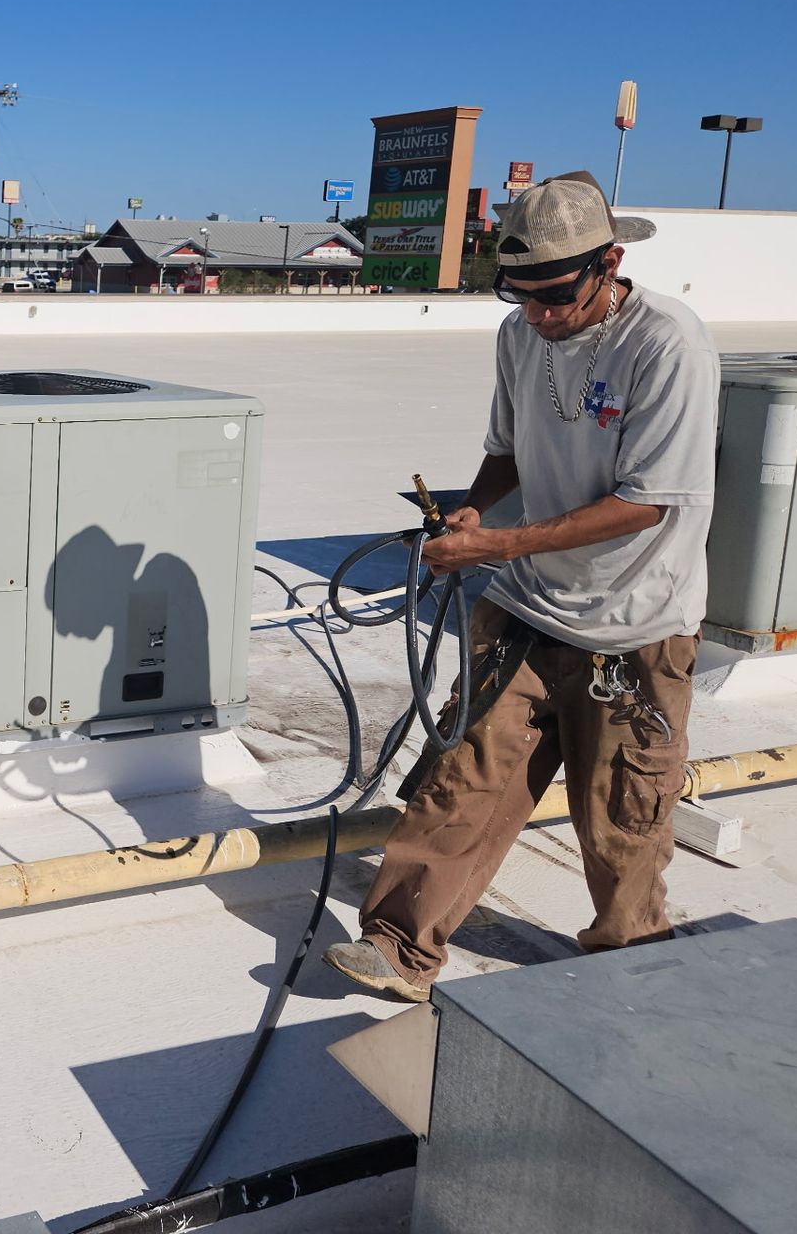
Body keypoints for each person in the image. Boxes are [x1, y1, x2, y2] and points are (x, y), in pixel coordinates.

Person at [324, 171, 721, 1002]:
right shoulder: (521, 335)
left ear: (610, 262)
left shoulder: (668, 344)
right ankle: (400, 947)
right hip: (531, 602)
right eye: (521, 294)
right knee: (463, 770)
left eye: (556, 294)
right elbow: (507, 446)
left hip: (635, 623)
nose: (539, 313)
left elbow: (643, 505)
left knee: (623, 817)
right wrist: (472, 513)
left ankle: (631, 967)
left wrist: (499, 543)